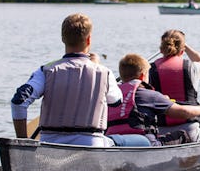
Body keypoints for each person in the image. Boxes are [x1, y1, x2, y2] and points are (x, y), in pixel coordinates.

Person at [10, 13, 122, 146]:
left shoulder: (45, 71)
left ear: (63, 38)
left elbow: (19, 101)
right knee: (136, 141)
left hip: (50, 146)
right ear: (89, 40)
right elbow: (116, 101)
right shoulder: (105, 73)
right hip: (91, 145)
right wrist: (96, 66)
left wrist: (24, 141)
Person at [107, 54, 200, 146]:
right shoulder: (151, 95)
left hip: (117, 142)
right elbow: (184, 112)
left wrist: (164, 102)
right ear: (143, 76)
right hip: (147, 144)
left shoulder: (112, 95)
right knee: (183, 134)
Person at [148, 30, 200, 142]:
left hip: (162, 132)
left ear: (161, 49)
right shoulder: (191, 67)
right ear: (182, 50)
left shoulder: (150, 70)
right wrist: (186, 46)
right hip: (190, 130)